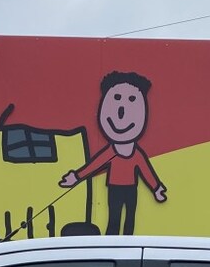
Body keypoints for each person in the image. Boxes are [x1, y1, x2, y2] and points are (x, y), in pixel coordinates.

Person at [59, 71, 168, 235]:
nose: (121, 112)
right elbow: (95, 165)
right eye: (116, 99)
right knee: (114, 218)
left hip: (132, 188)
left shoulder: (136, 153)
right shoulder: (111, 151)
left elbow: (146, 172)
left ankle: (128, 242)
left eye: (132, 100)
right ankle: (112, 242)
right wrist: (76, 176)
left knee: (130, 217)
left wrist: (156, 188)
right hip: (114, 188)